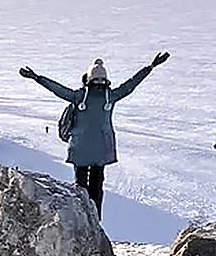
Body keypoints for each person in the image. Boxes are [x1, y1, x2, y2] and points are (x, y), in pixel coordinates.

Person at [19, 52, 170, 217]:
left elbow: (58, 90)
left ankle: (82, 218)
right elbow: (130, 85)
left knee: (80, 187)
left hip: (80, 148)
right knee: (97, 187)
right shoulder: (110, 97)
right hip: (101, 149)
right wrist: (150, 67)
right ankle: (95, 220)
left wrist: (37, 78)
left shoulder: (79, 96)